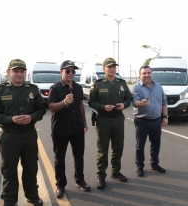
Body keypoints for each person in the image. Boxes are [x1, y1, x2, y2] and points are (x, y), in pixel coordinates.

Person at [0, 59, 46, 206]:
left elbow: (41, 109)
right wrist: (12, 119)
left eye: (21, 71)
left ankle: (32, 195)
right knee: (9, 168)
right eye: (15, 71)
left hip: (29, 134)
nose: (18, 74)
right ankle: (10, 200)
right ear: (8, 72)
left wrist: (31, 117)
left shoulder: (33, 89)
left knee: (31, 167)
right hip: (9, 135)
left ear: (25, 73)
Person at [48, 60, 90, 199]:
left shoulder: (78, 87)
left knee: (79, 156)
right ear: (61, 72)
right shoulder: (55, 88)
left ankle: (80, 180)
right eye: (68, 71)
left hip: (77, 127)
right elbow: (52, 108)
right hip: (60, 129)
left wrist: (84, 122)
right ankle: (60, 184)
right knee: (59, 158)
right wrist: (64, 102)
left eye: (73, 71)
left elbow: (81, 106)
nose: (71, 73)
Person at [88, 57, 132, 190]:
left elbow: (129, 98)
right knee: (103, 149)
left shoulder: (122, 83)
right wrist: (102, 107)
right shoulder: (98, 84)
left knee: (118, 147)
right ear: (104, 69)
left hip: (118, 119)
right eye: (109, 67)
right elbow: (91, 102)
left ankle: (116, 172)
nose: (112, 69)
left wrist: (124, 105)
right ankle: (101, 176)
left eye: (114, 67)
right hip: (103, 120)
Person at [131, 65, 168, 177]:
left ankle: (154, 164)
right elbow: (134, 101)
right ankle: (139, 166)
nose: (147, 75)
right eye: (144, 73)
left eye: (149, 73)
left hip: (156, 120)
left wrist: (165, 116)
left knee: (156, 144)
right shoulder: (136, 87)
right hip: (142, 121)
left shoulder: (158, 87)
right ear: (139, 75)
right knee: (140, 145)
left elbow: (164, 102)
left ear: (151, 74)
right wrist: (141, 103)